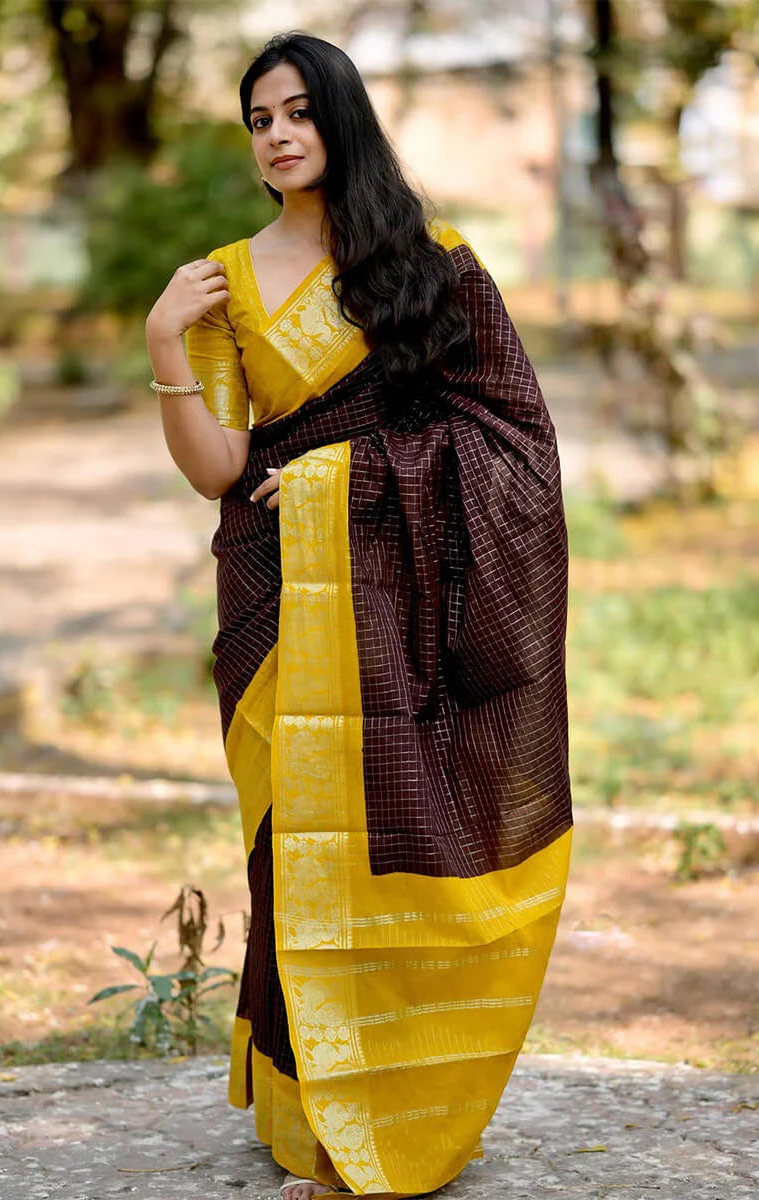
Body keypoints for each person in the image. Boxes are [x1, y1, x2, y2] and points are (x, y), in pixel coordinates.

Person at [145, 31, 572, 1200]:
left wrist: (348, 480)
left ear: (340, 118)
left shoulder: (427, 259)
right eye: (256, 119)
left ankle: (391, 1116)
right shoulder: (224, 280)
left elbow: (511, 439)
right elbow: (218, 466)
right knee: (292, 855)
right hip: (274, 596)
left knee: (394, 842)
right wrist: (161, 344)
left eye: (295, 112)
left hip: (399, 602)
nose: (276, 135)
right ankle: (311, 1119)